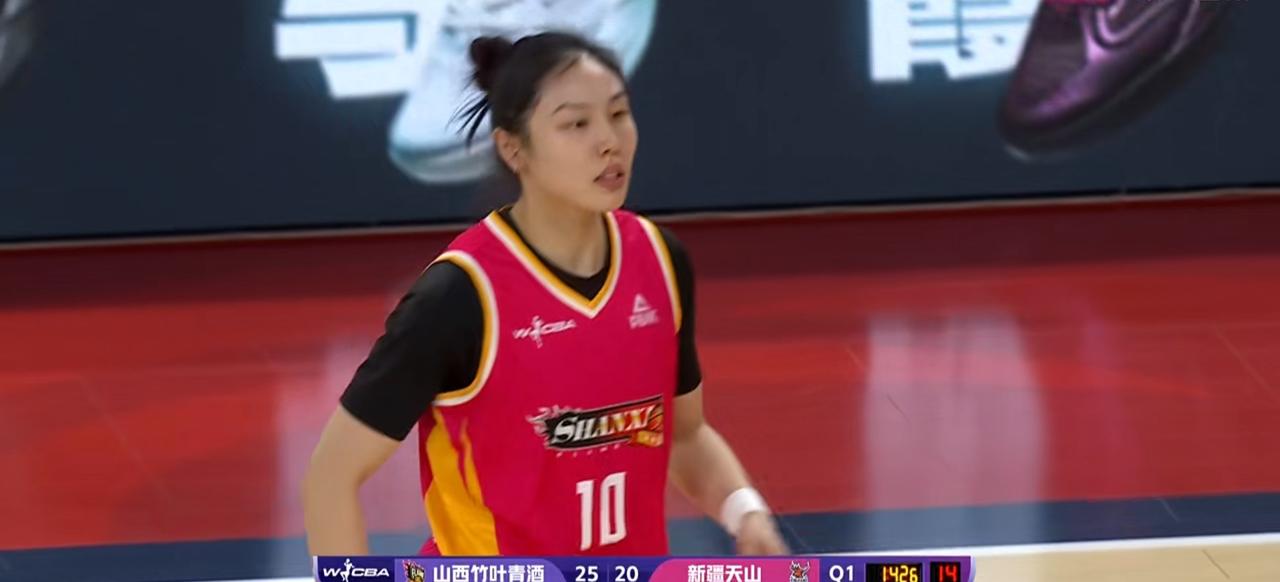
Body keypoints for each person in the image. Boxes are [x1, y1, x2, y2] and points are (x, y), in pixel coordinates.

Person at [302, 31, 788, 556]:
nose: (609, 141)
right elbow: (330, 479)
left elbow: (685, 435)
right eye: (577, 124)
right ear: (514, 149)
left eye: (618, 113)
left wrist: (745, 512)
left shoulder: (660, 260)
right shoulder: (460, 296)